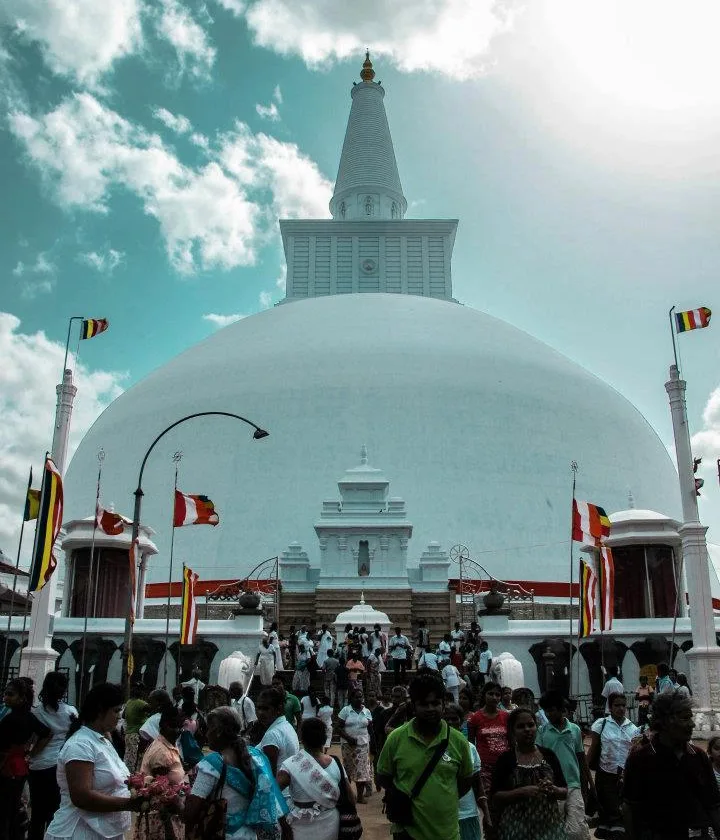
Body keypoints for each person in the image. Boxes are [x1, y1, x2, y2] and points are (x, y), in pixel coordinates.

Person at [377, 672, 474, 840]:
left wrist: (440, 797)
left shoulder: (458, 741)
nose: (430, 709)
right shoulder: (396, 738)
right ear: (413, 707)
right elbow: (384, 776)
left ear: (444, 705)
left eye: (435, 703)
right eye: (423, 704)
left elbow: (465, 782)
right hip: (407, 832)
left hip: (447, 833)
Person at [45, 682, 143, 840]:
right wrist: (128, 804)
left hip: (105, 831)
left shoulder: (102, 740)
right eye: (116, 711)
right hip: (80, 830)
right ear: (99, 710)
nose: (119, 716)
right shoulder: (80, 745)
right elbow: (81, 797)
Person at [624, 690, 720, 840]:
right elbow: (630, 807)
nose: (692, 723)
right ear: (665, 721)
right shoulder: (640, 759)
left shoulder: (698, 757)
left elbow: (713, 805)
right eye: (685, 718)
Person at [185, 705, 290, 840]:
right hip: (250, 834)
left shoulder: (212, 764)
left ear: (217, 732)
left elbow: (190, 813)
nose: (206, 734)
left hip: (224, 834)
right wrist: (286, 829)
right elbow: (272, 795)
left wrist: (177, 802)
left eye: (208, 729)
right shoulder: (256, 757)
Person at [491, 707, 567, 840]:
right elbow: (495, 797)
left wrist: (554, 790)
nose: (527, 729)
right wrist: (521, 792)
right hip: (515, 828)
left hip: (548, 827)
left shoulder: (548, 755)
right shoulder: (506, 759)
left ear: (536, 727)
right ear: (512, 731)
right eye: (521, 726)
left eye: (531, 725)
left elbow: (564, 791)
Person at [277, 717, 347, 840]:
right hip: (330, 822)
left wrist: (283, 823)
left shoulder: (290, 765)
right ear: (324, 739)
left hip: (299, 825)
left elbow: (272, 796)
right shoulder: (336, 763)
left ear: (302, 739)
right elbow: (351, 798)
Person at [536, 690, 592, 840]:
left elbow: (581, 758)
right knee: (555, 829)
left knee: (576, 831)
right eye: (546, 711)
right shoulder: (541, 733)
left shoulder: (575, 729)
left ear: (561, 709)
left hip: (573, 784)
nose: (548, 714)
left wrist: (587, 786)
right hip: (553, 786)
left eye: (552, 710)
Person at [28, 671, 78, 840]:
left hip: (39, 765)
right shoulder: (71, 712)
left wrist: (31, 755)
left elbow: (32, 739)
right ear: (63, 690)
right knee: (56, 810)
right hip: (61, 765)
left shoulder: (36, 713)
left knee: (37, 812)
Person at [0, 677, 51, 840]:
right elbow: (46, 733)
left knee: (5, 810)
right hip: (20, 764)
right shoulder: (28, 717)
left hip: (7, 765)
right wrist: (31, 753)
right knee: (14, 806)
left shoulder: (10, 719)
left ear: (22, 698)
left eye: (10, 694)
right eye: (5, 694)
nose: (5, 697)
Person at [587, 691, 639, 839]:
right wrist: (584, 774)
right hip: (605, 775)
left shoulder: (633, 729)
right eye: (617, 705)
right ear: (610, 707)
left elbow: (633, 753)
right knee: (611, 811)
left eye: (623, 705)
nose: (621, 708)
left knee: (618, 813)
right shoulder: (601, 724)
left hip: (624, 777)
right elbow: (593, 748)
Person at [136, 705, 186, 840]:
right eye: (173, 726)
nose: (177, 731)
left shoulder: (167, 744)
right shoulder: (162, 753)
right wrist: (170, 832)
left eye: (180, 727)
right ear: (162, 725)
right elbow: (162, 794)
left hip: (166, 816)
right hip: (162, 820)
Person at [445, 703, 491, 840]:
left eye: (454, 718)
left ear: (461, 721)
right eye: (446, 719)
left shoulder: (469, 748)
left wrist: (486, 815)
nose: (450, 722)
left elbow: (477, 783)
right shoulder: (432, 748)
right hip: (442, 814)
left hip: (467, 813)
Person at [468, 681, 509, 792]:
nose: (494, 697)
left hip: (504, 764)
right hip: (484, 766)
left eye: (497, 695)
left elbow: (511, 741)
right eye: (490, 694)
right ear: (484, 695)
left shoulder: (506, 716)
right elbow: (471, 744)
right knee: (487, 796)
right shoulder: (475, 718)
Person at [337, 688, 373, 804]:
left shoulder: (367, 711)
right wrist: (348, 738)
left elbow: (370, 728)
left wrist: (373, 743)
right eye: (356, 697)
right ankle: (348, 795)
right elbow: (338, 727)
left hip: (362, 746)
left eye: (360, 697)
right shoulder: (345, 710)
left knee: (361, 770)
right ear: (351, 698)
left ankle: (360, 796)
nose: (359, 699)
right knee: (348, 768)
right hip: (348, 745)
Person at [257, 688, 300, 775]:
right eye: (258, 708)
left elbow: (269, 777)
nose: (260, 713)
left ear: (279, 709)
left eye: (265, 708)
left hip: (278, 787)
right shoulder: (286, 726)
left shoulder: (272, 735)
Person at [121, 684, 149, 773]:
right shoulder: (141, 703)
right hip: (137, 734)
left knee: (129, 757)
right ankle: (134, 778)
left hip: (128, 734)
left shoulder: (129, 702)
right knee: (137, 758)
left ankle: (126, 775)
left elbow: (123, 715)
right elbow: (153, 710)